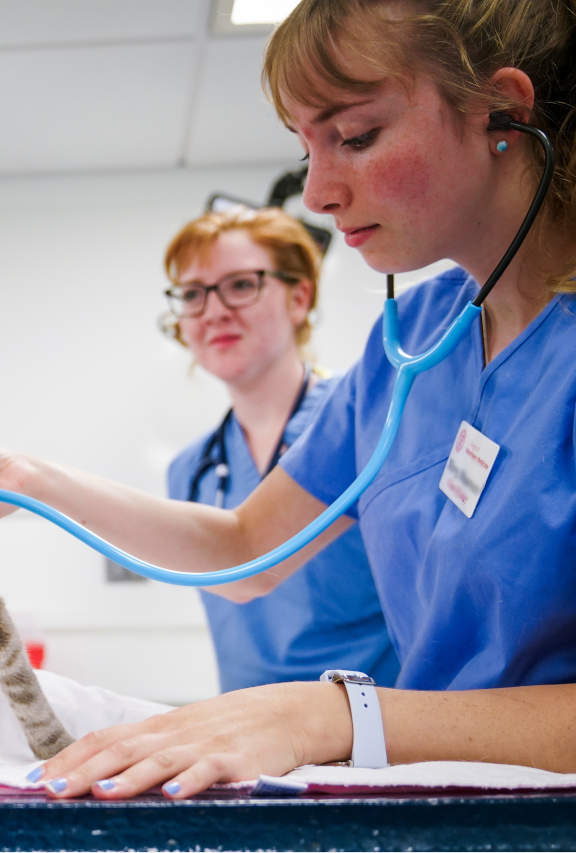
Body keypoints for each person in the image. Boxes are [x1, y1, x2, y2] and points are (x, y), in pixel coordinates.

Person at [0, 0, 576, 843]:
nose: (317, 191)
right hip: (451, 817)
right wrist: (27, 481)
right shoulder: (414, 340)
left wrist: (331, 715)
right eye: (305, 146)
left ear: (503, 109)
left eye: (353, 137)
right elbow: (246, 550)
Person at [161, 206, 398, 692]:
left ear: (299, 297)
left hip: (377, 736)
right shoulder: (189, 472)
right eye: (192, 294)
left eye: (241, 285)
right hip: (244, 737)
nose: (214, 310)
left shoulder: (368, 421)